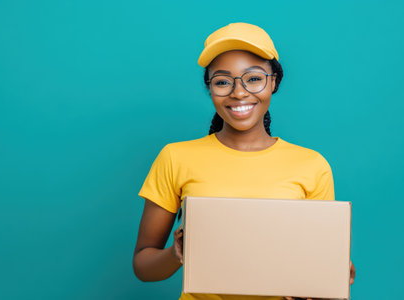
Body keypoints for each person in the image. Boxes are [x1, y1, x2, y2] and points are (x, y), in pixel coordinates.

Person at [133, 22, 356, 300]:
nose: (238, 93)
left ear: (273, 81)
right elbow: (143, 265)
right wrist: (177, 254)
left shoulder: (311, 165)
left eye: (253, 78)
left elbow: (318, 267)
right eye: (223, 81)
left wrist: (328, 278)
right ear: (210, 88)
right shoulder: (175, 157)